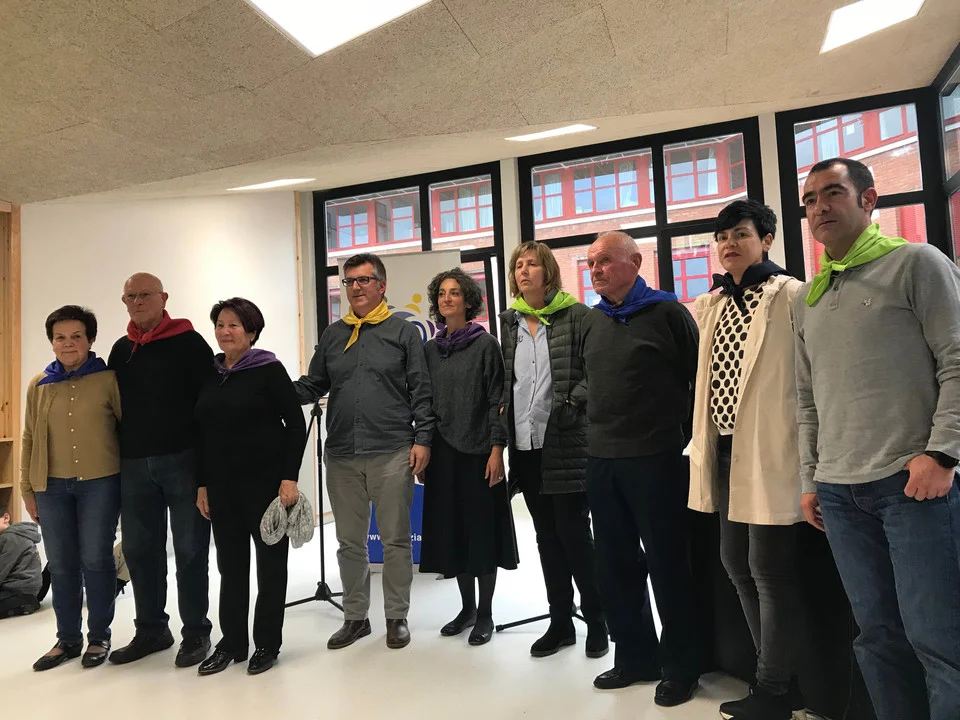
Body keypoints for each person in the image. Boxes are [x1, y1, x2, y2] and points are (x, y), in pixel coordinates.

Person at [795, 157, 960, 720]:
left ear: (868, 200)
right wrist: (811, 478)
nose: (819, 207)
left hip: (913, 486)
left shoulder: (916, 263)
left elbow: (957, 361)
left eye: (832, 193)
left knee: (940, 643)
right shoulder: (810, 296)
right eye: (810, 200)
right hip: (839, 494)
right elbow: (807, 398)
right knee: (878, 639)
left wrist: (942, 453)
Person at [687, 200, 806, 720]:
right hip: (723, 452)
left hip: (772, 450)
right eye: (721, 237)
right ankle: (773, 675)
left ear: (766, 239)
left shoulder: (791, 294)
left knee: (768, 570)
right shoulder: (710, 303)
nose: (729, 244)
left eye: (740, 233)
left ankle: (774, 688)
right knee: (736, 564)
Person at [581, 231, 701, 706]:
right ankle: (635, 657)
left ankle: (681, 667)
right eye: (591, 262)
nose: (596, 269)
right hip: (602, 459)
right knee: (614, 566)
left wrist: (686, 441)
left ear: (635, 261)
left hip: (656, 459)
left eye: (605, 260)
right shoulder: (593, 320)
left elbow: (698, 381)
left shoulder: (668, 313)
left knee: (668, 566)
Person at [294, 253, 434, 651]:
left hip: (392, 450)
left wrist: (423, 439)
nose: (355, 287)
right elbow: (314, 384)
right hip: (341, 454)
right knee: (349, 543)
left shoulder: (403, 333)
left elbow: (421, 389)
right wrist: (271, 389)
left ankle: (396, 617)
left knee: (395, 541)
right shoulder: (334, 335)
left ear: (381, 286)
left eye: (364, 280)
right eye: (349, 281)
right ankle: (355, 617)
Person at [499, 241, 607, 660]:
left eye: (532, 264)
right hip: (525, 446)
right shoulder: (509, 322)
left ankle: (597, 621)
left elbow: (596, 370)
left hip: (565, 441)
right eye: (518, 266)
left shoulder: (577, 315)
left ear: (548, 271)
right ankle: (560, 622)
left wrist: (574, 402)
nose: (524, 271)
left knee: (575, 537)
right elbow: (507, 383)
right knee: (546, 537)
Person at [194, 298, 306, 676]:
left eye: (234, 325)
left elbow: (296, 425)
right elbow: (201, 434)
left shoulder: (269, 369)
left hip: (266, 487)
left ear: (252, 332)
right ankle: (232, 643)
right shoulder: (211, 373)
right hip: (221, 487)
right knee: (231, 568)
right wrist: (202, 484)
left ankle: (267, 644)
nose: (225, 332)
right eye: (220, 325)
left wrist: (289, 478)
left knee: (270, 569)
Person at [107, 273, 214, 667]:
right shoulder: (122, 350)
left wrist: (205, 473)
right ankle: (151, 630)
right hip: (134, 465)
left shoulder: (190, 343)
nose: (138, 302)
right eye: (130, 296)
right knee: (139, 550)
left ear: (163, 297)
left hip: (183, 462)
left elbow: (208, 409)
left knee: (189, 549)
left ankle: (196, 632)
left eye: (145, 295)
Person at [419, 268, 518, 646]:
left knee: (481, 535)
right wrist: (425, 447)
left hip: (479, 453)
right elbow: (423, 402)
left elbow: (498, 401)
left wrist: (497, 450)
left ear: (468, 301)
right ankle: (467, 610)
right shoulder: (431, 350)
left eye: (455, 293)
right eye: (442, 293)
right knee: (455, 533)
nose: (447, 299)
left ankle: (486, 614)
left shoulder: (485, 345)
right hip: (443, 454)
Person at [20, 305, 122, 670]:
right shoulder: (39, 385)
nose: (68, 343)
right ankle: (67, 639)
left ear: (90, 339)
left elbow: (127, 431)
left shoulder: (109, 379)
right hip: (51, 487)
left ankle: (99, 636)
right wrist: (27, 489)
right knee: (61, 564)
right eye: (60, 337)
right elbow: (29, 436)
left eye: (76, 336)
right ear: (51, 342)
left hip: (100, 484)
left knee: (96, 559)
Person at [0, 507, 42, 618]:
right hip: (28, 588)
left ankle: (24, 605)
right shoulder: (19, 534)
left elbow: (2, 570)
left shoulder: (9, 538)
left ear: (6, 518)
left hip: (18, 589)